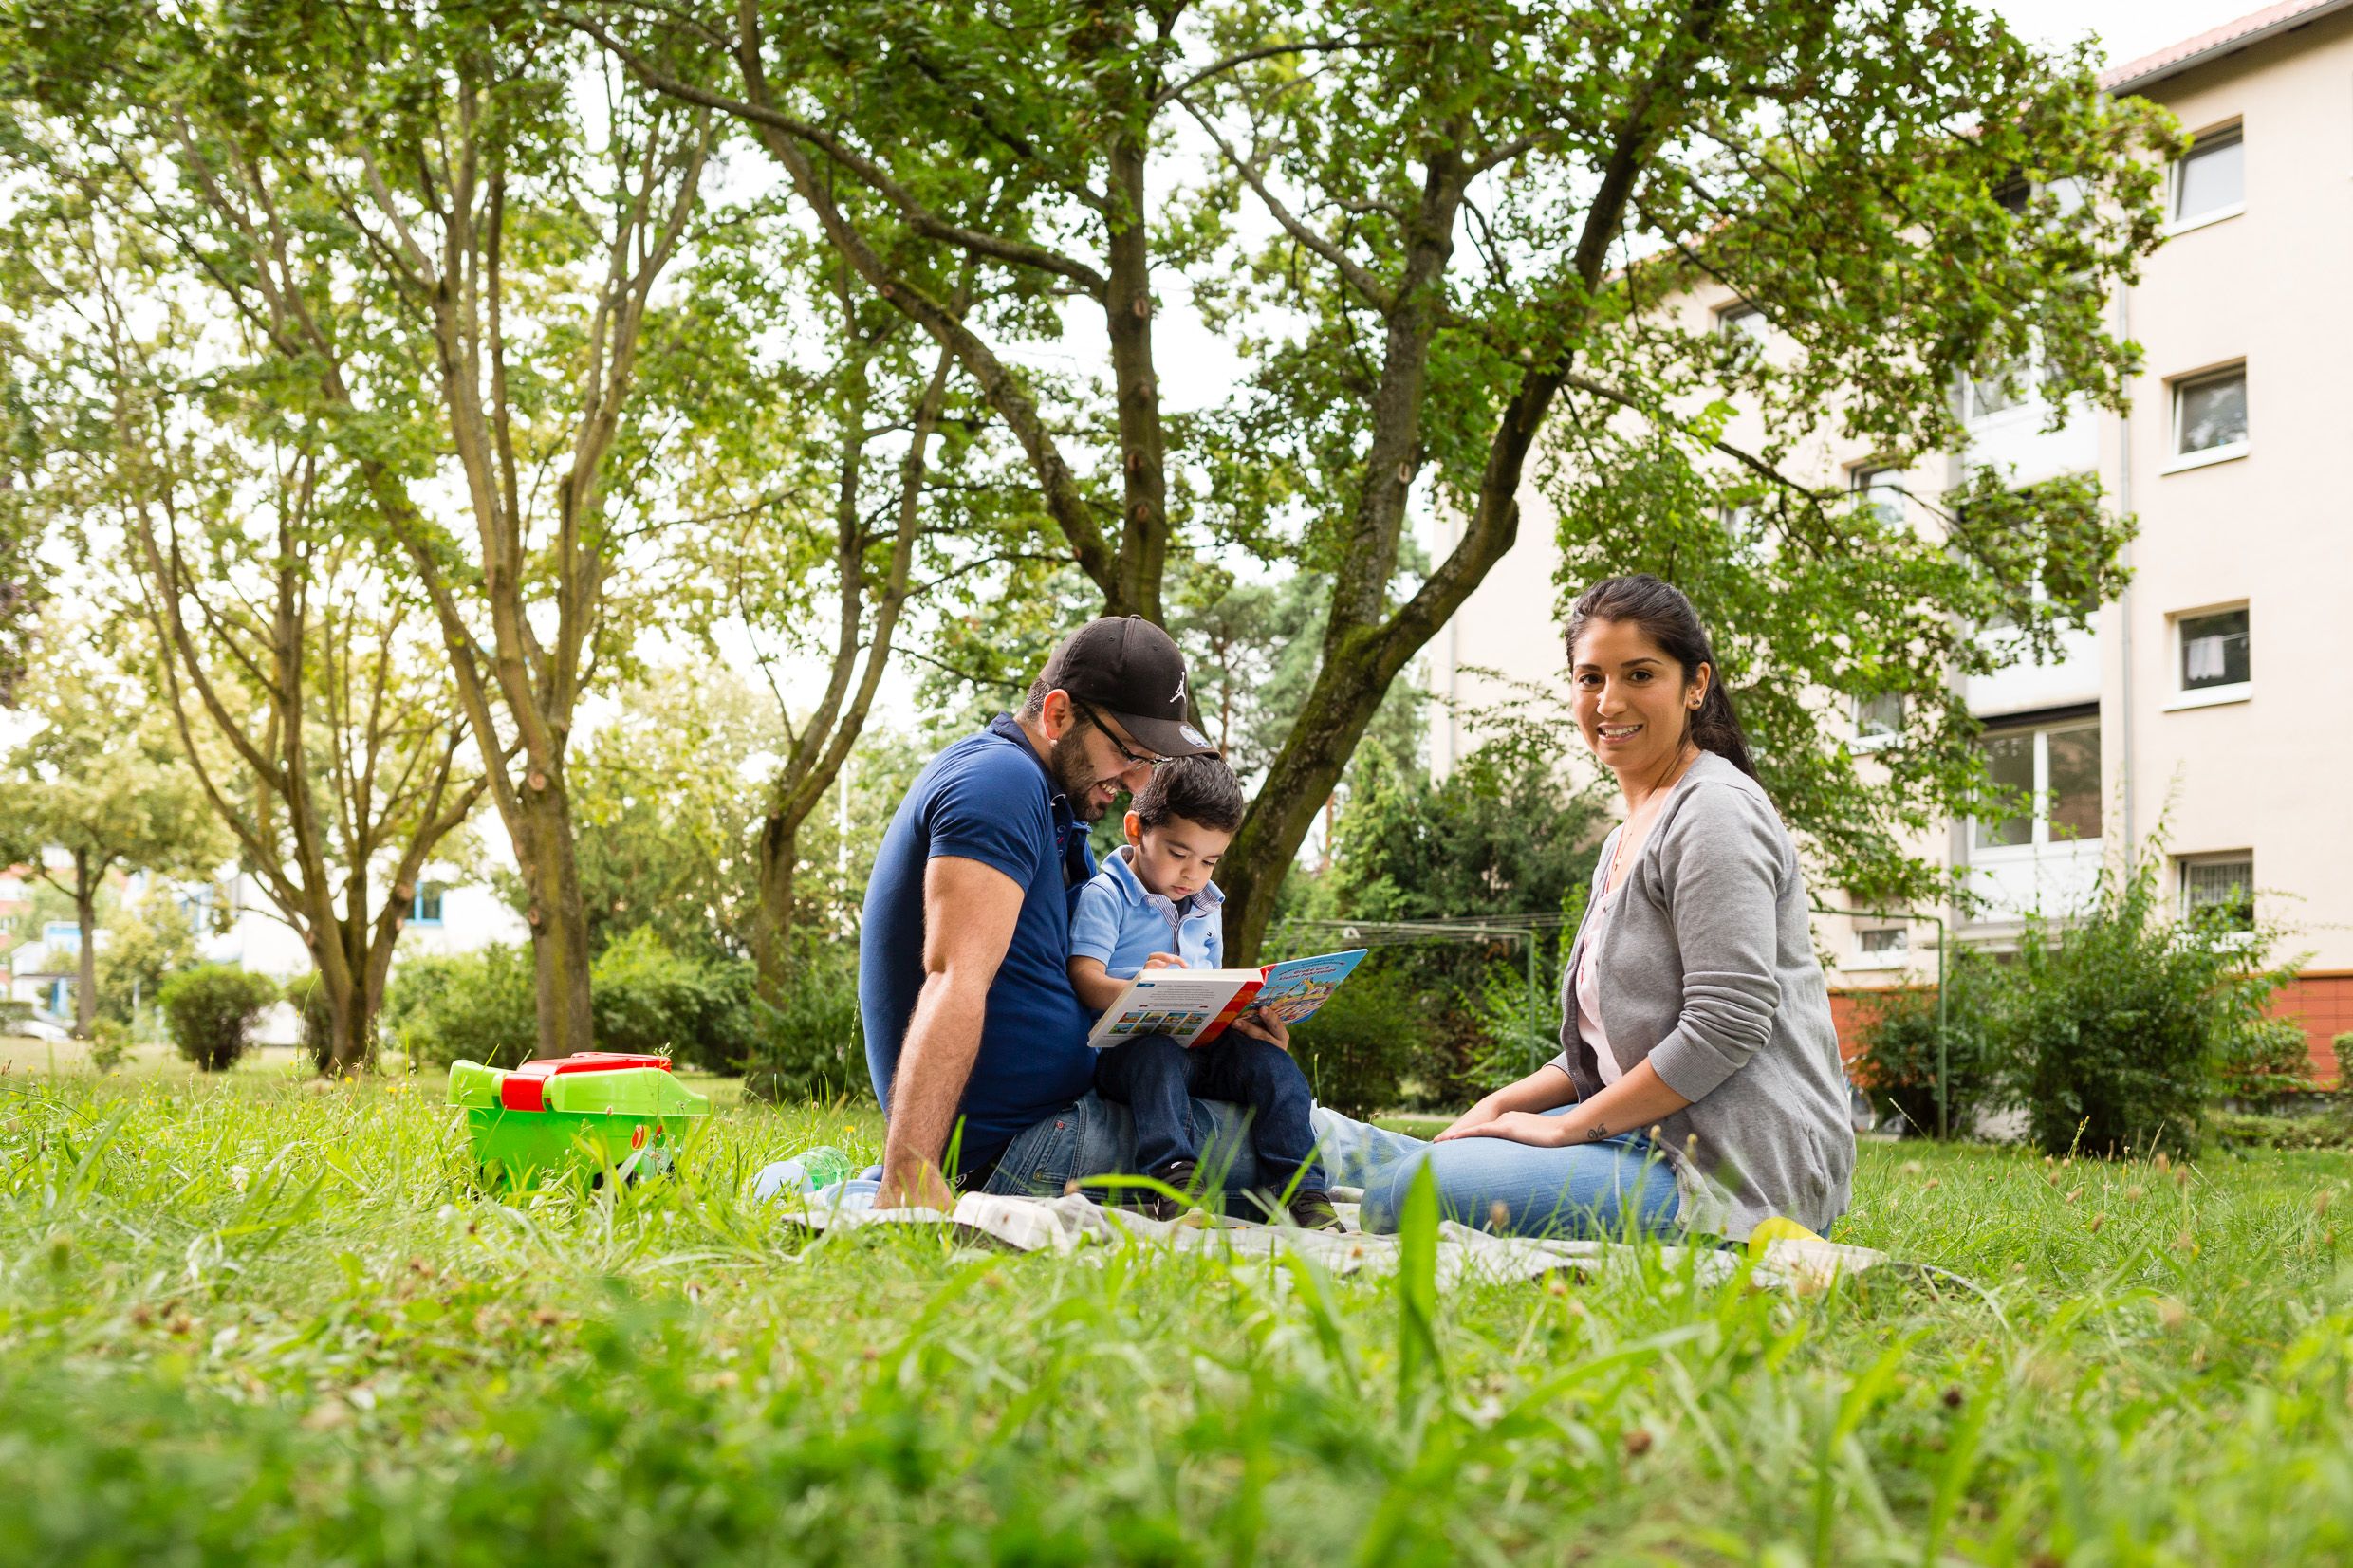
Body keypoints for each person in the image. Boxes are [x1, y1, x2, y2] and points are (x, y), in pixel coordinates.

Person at [1356, 575, 1857, 1242]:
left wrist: (1565, 1126)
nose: (1609, 700)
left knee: (1400, 1192)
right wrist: (1505, 1104)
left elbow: (1729, 1022)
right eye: (1590, 678)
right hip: (1643, 1140)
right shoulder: (1624, 837)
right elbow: (1609, 1053)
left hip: (1723, 1173)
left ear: (1696, 684)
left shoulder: (1714, 811)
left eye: (1639, 674)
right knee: (1390, 1154)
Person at [862, 615, 1389, 1213]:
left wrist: (1220, 1021)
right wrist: (910, 1170)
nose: (1139, 780)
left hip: (1075, 1113)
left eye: (1152, 761)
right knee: (1341, 1150)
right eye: (1127, 753)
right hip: (1021, 1148)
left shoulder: (1057, 810)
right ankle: (1492, 1158)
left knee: (1278, 1104)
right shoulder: (999, 783)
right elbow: (954, 975)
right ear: (1058, 714)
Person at [1068, 754, 1338, 1228]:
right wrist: (1136, 988)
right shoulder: (1105, 895)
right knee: (1156, 1054)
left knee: (1273, 1063)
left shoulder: (1208, 906)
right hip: (1130, 1054)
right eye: (1178, 854)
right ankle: (1176, 1183)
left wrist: (1246, 1016)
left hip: (1201, 1046)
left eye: (1210, 861)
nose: (1193, 874)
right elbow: (1084, 978)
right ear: (1136, 830)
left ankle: (1304, 1193)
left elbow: (1210, 982)